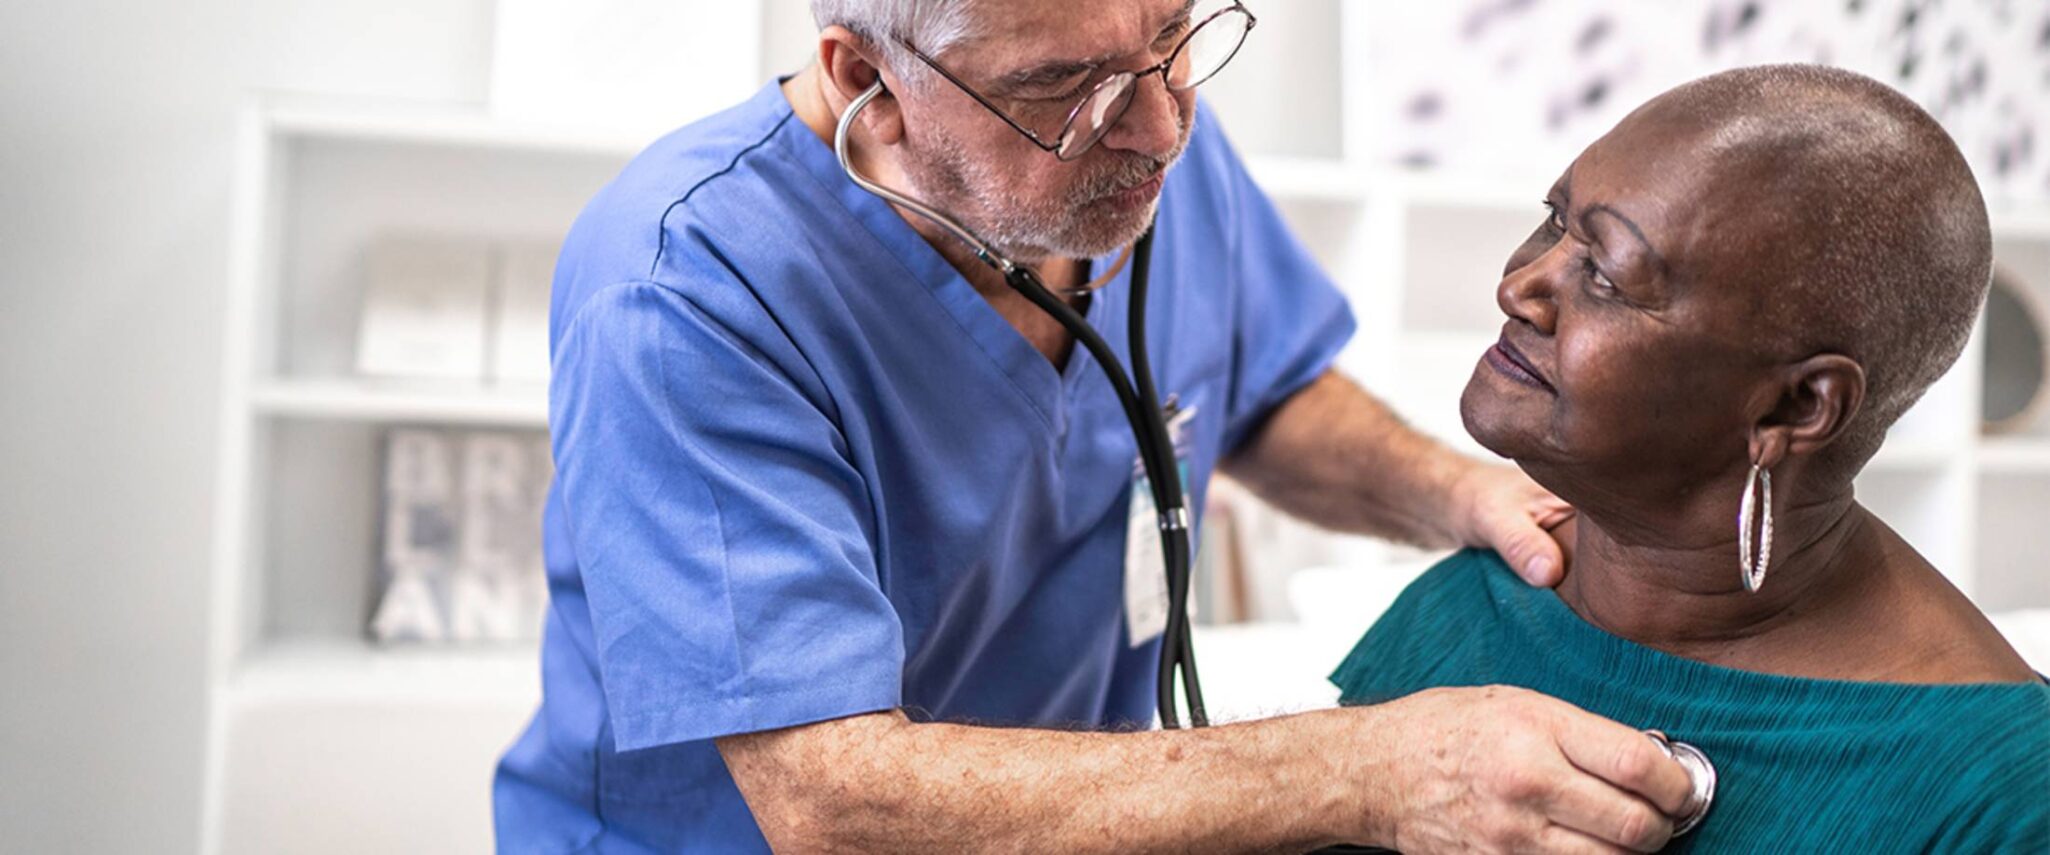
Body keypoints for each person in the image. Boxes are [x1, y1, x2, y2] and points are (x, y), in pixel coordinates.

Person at [493, 1, 1699, 851]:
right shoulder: (687, 289)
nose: (1161, 126)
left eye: (1175, 34)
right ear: (868, 81)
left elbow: (1262, 390)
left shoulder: (1143, 135)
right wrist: (1369, 773)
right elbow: (831, 801)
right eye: (1061, 90)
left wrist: (1458, 493)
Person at [1331, 64, 2050, 852]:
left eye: (1604, 275)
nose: (1521, 288)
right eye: (1553, 220)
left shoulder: (1998, 792)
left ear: (1795, 407)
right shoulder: (1480, 598)